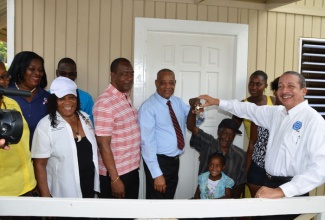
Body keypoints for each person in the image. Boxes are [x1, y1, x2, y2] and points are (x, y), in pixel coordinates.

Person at [198, 71, 325, 201]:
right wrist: (217, 102)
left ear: (304, 91)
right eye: (280, 86)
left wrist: (281, 191)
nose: (284, 90)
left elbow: (320, 168)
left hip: (292, 190)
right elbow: (248, 109)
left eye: (291, 86)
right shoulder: (276, 113)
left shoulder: (314, 121)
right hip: (268, 182)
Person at [31, 77, 99, 198]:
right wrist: (46, 200)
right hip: (62, 193)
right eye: (61, 98)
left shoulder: (85, 118)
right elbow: (39, 165)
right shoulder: (45, 126)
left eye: (71, 97)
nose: (68, 102)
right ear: (53, 101)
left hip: (88, 189)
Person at [138, 68, 198, 199]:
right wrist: (157, 174)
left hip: (173, 162)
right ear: (156, 83)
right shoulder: (149, 107)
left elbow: (195, 122)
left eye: (171, 82)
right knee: (156, 205)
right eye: (163, 82)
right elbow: (146, 143)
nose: (168, 86)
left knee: (168, 202)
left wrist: (196, 108)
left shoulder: (176, 102)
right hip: (159, 162)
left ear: (175, 83)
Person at [93, 58, 140, 199]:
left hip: (130, 170)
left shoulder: (124, 96)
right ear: (113, 76)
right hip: (116, 175)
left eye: (131, 74)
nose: (129, 78)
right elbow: (103, 144)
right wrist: (115, 179)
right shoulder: (105, 102)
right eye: (124, 74)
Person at [0, 61, 36, 220]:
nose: (2, 81)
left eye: (4, 76)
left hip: (26, 187)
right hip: (4, 195)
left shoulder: (11, 103)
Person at [231, 70, 275, 198]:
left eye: (258, 84)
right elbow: (231, 130)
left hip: (274, 155)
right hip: (254, 155)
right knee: (253, 195)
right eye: (251, 84)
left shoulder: (274, 101)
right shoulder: (243, 105)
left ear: (266, 86)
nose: (254, 87)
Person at [187, 109, 246, 199]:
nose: (227, 138)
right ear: (219, 132)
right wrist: (192, 108)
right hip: (203, 199)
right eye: (225, 133)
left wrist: (234, 205)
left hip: (226, 202)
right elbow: (192, 127)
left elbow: (240, 184)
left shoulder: (240, 156)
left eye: (231, 135)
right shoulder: (208, 144)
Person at [7, 51, 50, 147]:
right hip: (11, 154)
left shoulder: (47, 97)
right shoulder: (6, 94)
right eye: (31, 69)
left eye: (40, 70)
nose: (38, 73)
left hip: (40, 155)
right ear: (20, 69)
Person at [56, 57, 94, 123]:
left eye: (71, 74)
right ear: (57, 73)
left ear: (75, 75)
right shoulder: (48, 95)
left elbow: (90, 125)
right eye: (63, 73)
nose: (67, 77)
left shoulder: (86, 98)